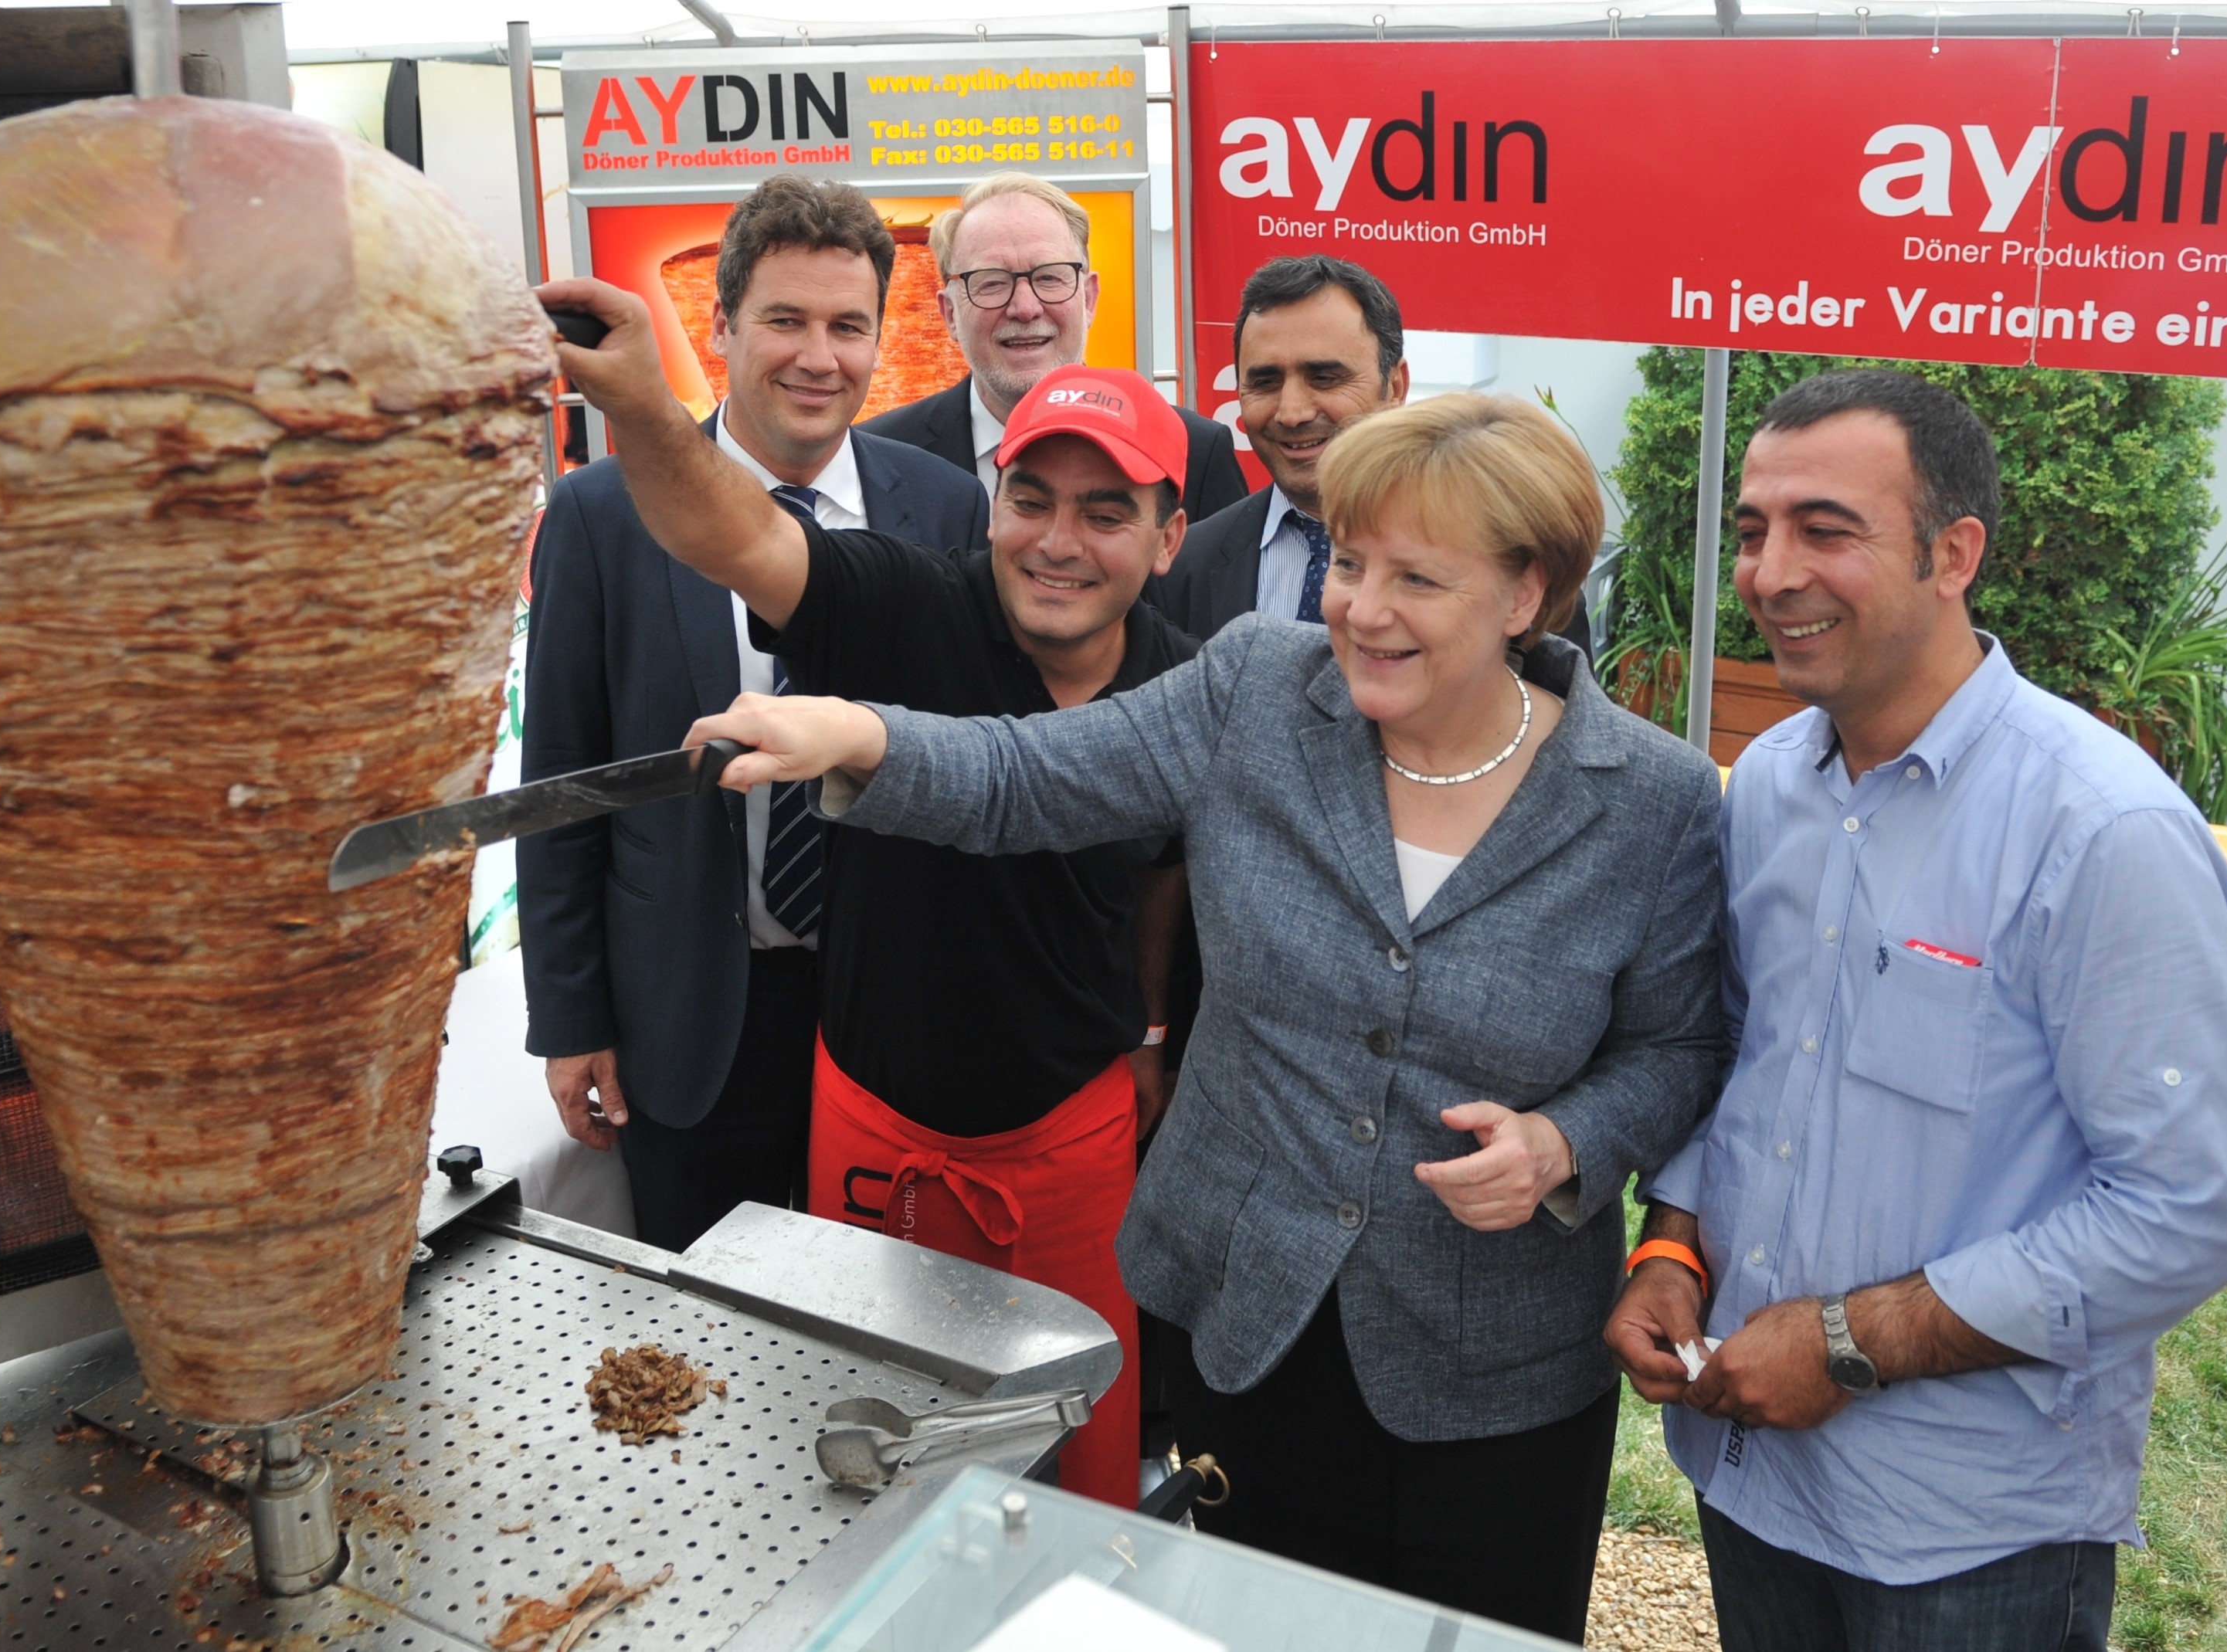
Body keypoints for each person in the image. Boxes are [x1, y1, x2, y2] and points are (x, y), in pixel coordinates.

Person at [690, 392, 1730, 1641]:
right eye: (1347, 560)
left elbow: (1678, 1044)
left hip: (1497, 1370)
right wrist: (852, 730)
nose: (1358, 606)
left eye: (1416, 577)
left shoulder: (1650, 802)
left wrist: (1561, 1144)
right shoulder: (1255, 687)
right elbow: (1030, 775)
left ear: (1523, 594)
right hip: (1249, 1317)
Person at [1605, 369, 2227, 1652]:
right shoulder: (1769, 788)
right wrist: (1670, 1243)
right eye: (1750, 529)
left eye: (1823, 529)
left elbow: (2183, 1214)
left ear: (1951, 552)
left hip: (1969, 1527)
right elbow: (1741, 1057)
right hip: (1749, 1471)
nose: (1768, 570)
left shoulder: (2099, 829)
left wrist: (1847, 1341)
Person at [537, 271, 1198, 1510]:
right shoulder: (908, 603)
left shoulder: (1187, 686)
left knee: (1074, 1470)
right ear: (991, 502)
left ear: (1168, 539)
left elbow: (1161, 874)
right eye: (1031, 498)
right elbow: (735, 537)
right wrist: (640, 406)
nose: (1057, 541)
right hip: (875, 1132)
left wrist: (1152, 1026)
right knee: (871, 1465)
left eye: (1105, 511)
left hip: (1071, 1143)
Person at [516, 177, 989, 1253]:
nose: (817, 357)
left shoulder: (945, 508)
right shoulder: (602, 510)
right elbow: (561, 781)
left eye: (846, 325)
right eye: (783, 320)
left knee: (874, 1324)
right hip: (683, 1014)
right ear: (719, 326)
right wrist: (571, 1017)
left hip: (882, 1014)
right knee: (698, 1337)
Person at [1156, 255, 1590, 650]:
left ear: (1395, 387)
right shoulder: (1183, 566)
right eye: (1265, 382)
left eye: (1325, 377)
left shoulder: (1503, 559)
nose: (1291, 412)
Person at [859, 171, 1249, 522]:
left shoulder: (1194, 452)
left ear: (1089, 298)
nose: (1025, 308)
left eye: (1049, 278)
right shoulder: (878, 458)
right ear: (949, 314)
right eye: (991, 282)